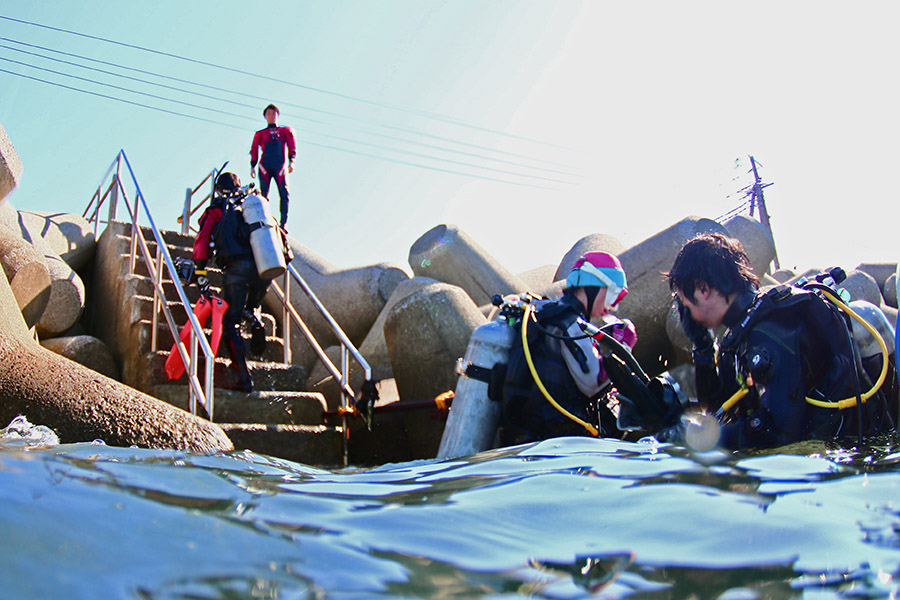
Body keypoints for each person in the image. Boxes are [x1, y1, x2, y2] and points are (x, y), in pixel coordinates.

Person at [666, 232, 893, 449]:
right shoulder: (738, 340)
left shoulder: (771, 331)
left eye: (687, 305)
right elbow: (721, 412)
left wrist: (694, 439)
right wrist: (703, 347)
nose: (689, 315)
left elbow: (781, 434)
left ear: (703, 288)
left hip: (850, 457)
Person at [499, 251, 636, 445]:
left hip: (524, 434)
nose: (612, 307)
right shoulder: (570, 323)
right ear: (594, 286)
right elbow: (592, 384)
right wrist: (623, 346)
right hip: (558, 437)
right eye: (613, 295)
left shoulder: (544, 313)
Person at [192, 172, 272, 393]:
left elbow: (203, 240)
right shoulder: (250, 206)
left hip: (236, 269)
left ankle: (243, 379)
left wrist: (200, 271)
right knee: (248, 306)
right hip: (264, 266)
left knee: (230, 323)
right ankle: (256, 320)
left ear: (218, 189)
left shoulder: (216, 210)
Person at [249, 104, 297, 228]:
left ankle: (283, 223)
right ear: (265, 116)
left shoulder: (285, 130)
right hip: (265, 165)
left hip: (280, 166)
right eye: (269, 114)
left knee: (284, 193)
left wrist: (292, 160)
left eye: (274, 113)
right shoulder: (260, 133)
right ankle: (265, 218)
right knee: (264, 194)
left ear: (278, 115)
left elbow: (291, 145)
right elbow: (254, 149)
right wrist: (252, 165)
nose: (271, 116)